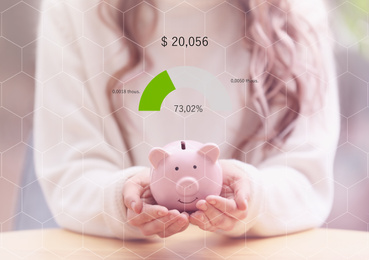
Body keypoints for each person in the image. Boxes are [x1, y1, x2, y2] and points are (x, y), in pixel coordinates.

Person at [34, 0, 339, 239]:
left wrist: (251, 197)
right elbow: (71, 175)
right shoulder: (72, 9)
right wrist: (122, 198)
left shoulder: (297, 11)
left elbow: (307, 179)